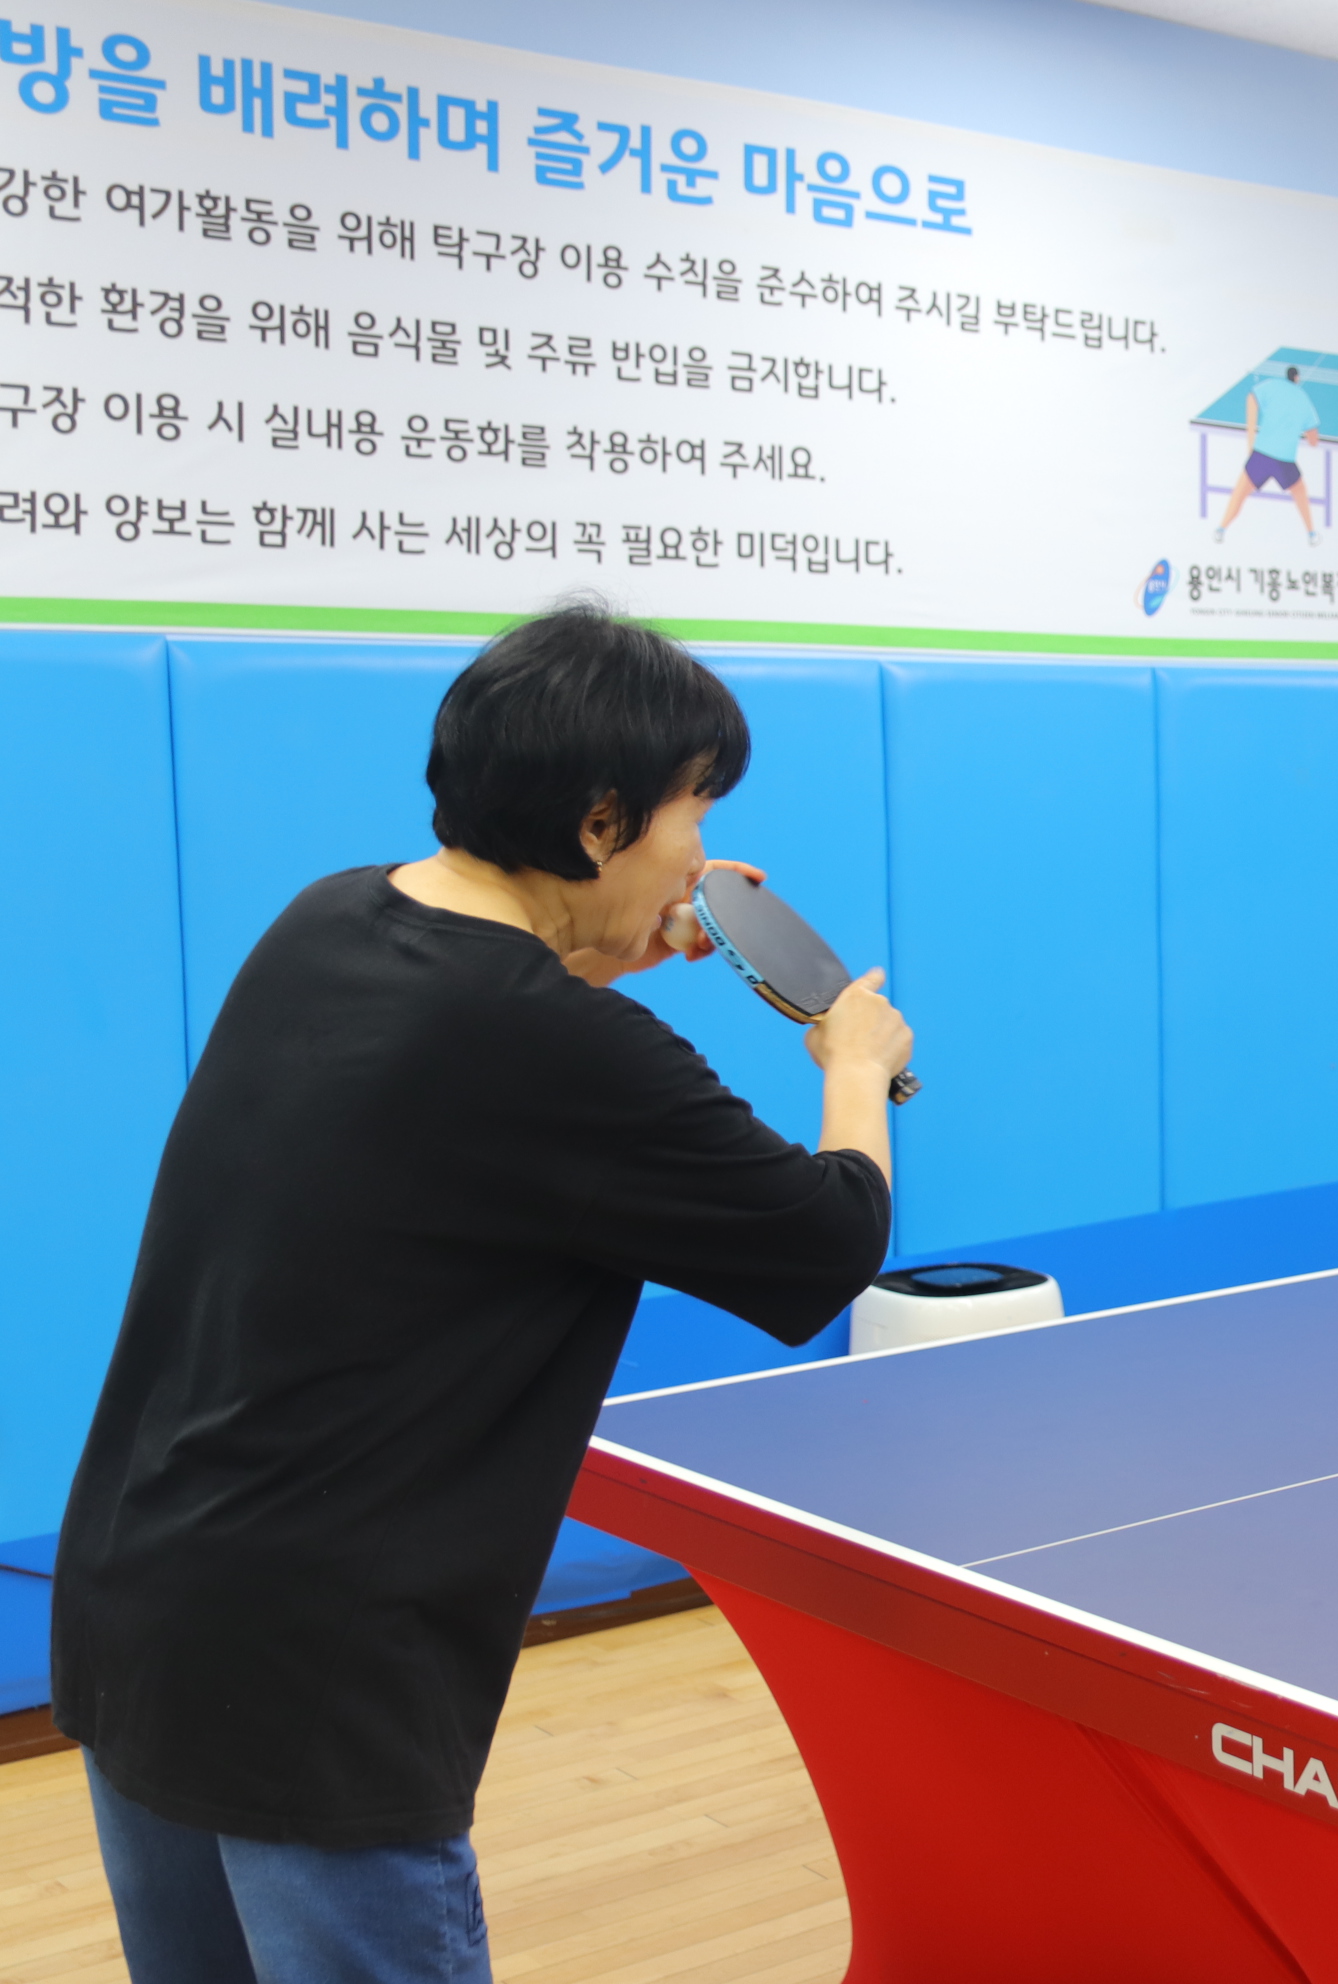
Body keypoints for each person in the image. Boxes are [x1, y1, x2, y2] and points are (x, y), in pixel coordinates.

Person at [51, 604, 912, 1984]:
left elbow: (491, 1012)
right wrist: (855, 1062)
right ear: (601, 821)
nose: (703, 855)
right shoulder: (570, 1052)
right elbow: (829, 1239)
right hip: (317, 1678)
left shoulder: (327, 917)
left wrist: (612, 941)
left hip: (136, 1603)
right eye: (695, 812)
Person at [1212, 362, 1323, 546]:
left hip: (1261, 454)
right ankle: (1311, 534)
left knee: (1239, 493)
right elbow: (1313, 441)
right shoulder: (1304, 399)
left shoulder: (1271, 385)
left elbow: (1251, 398)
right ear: (1297, 378)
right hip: (1285, 460)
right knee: (1300, 492)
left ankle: (1221, 529)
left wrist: (1250, 437)